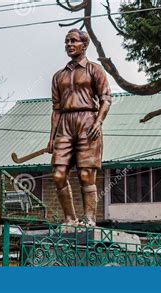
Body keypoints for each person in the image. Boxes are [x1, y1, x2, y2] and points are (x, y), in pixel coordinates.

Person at [47, 29, 111, 227]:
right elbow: (56, 109)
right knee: (58, 174)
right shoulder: (58, 76)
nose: (69, 44)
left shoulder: (95, 69)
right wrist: (51, 138)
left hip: (88, 122)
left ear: (84, 45)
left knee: (86, 174)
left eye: (73, 41)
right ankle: (70, 218)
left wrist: (98, 122)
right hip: (65, 124)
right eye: (66, 41)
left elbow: (106, 99)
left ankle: (89, 219)